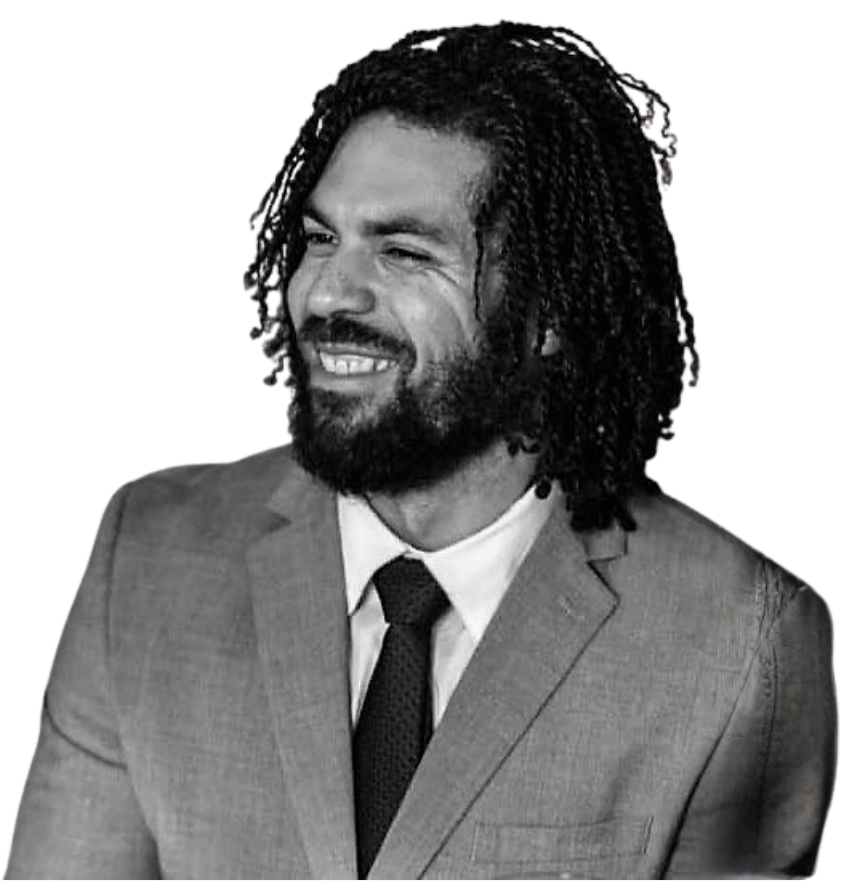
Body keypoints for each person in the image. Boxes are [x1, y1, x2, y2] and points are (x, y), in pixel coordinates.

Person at [4, 21, 836, 882]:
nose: (326, 293)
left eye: (402, 252)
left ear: (548, 314)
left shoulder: (742, 639)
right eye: (320, 238)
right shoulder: (146, 553)